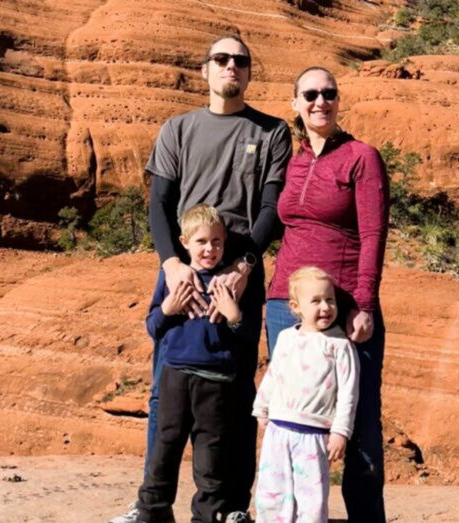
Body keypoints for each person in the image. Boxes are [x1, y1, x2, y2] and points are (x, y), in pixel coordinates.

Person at [110, 35, 292, 523]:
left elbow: (273, 207)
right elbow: (159, 205)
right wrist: (171, 263)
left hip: (239, 271)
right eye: (221, 59)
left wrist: (244, 264)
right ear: (205, 70)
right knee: (165, 388)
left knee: (234, 392)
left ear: (249, 73)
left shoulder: (272, 132)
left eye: (240, 60)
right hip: (183, 266)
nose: (231, 66)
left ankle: (229, 507)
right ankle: (152, 505)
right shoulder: (178, 129)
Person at [264, 67, 389, 522]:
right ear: (295, 102)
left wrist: (365, 304)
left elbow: (373, 234)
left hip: (342, 307)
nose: (321, 102)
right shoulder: (290, 160)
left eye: (329, 94)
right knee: (288, 420)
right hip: (284, 304)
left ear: (338, 101)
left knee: (358, 423)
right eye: (310, 94)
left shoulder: (361, 156)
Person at [136, 204, 252, 523]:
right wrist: (169, 308)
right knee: (165, 446)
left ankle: (208, 515)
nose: (210, 249)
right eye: (201, 241)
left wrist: (234, 316)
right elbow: (152, 327)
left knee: (210, 455)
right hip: (175, 374)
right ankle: (152, 510)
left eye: (216, 241)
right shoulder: (171, 277)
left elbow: (245, 335)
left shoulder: (231, 281)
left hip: (216, 381)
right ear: (184, 241)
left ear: (225, 241)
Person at [252, 266, 360, 522]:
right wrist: (261, 408)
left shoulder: (340, 346)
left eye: (329, 300)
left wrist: (340, 432)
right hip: (278, 431)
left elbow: (348, 393)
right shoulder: (287, 338)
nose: (325, 307)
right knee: (271, 495)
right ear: (295, 306)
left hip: (314, 436)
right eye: (316, 301)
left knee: (312, 502)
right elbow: (274, 374)